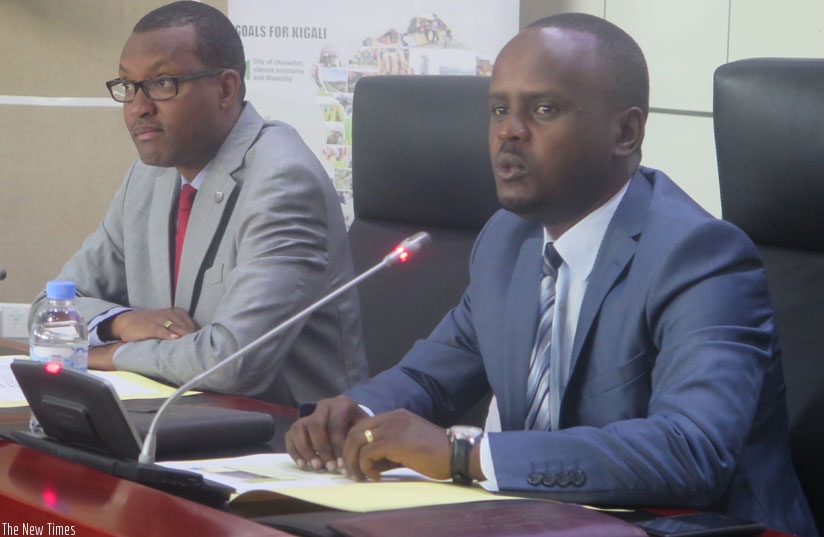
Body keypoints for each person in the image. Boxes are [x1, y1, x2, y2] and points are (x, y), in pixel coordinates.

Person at [285, 13, 817, 536]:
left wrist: (463, 453)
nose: (509, 132)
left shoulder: (701, 256)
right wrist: (358, 410)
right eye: (498, 109)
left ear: (625, 132)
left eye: (543, 109)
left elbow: (691, 450)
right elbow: (431, 375)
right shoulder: (507, 240)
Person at [29, 1, 367, 407]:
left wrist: (107, 355)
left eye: (161, 83)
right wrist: (123, 322)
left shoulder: (283, 180)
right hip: (173, 416)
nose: (138, 107)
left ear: (225, 89)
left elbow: (231, 361)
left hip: (284, 437)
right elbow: (51, 309)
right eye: (128, 86)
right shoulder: (148, 175)